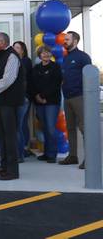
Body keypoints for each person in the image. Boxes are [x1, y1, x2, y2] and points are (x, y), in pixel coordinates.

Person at [0, 32, 26, 181]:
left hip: (10, 103)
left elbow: (8, 79)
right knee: (1, 136)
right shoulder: (0, 56)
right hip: (1, 102)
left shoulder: (12, 56)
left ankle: (13, 171)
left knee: (10, 137)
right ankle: (4, 166)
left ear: (2, 42)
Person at [59, 31, 91, 169]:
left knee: (85, 129)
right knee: (70, 128)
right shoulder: (66, 58)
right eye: (64, 39)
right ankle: (73, 156)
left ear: (75, 41)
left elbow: (89, 77)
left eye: (67, 39)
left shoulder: (83, 57)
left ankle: (89, 159)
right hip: (67, 98)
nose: (64, 41)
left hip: (79, 97)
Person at [30, 45, 63, 163]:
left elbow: (55, 85)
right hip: (38, 102)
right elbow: (32, 84)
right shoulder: (36, 68)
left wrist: (43, 96)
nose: (46, 55)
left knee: (50, 128)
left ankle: (52, 154)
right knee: (44, 128)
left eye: (48, 52)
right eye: (43, 53)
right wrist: (37, 96)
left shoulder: (56, 67)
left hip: (51, 102)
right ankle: (46, 152)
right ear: (40, 55)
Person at [12, 40, 34, 160]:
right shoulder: (12, 61)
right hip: (16, 97)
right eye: (14, 47)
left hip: (23, 97)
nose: (15, 49)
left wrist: (26, 96)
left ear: (23, 50)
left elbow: (27, 80)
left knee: (20, 124)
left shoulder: (25, 61)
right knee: (20, 124)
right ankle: (22, 149)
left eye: (18, 47)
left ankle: (23, 149)